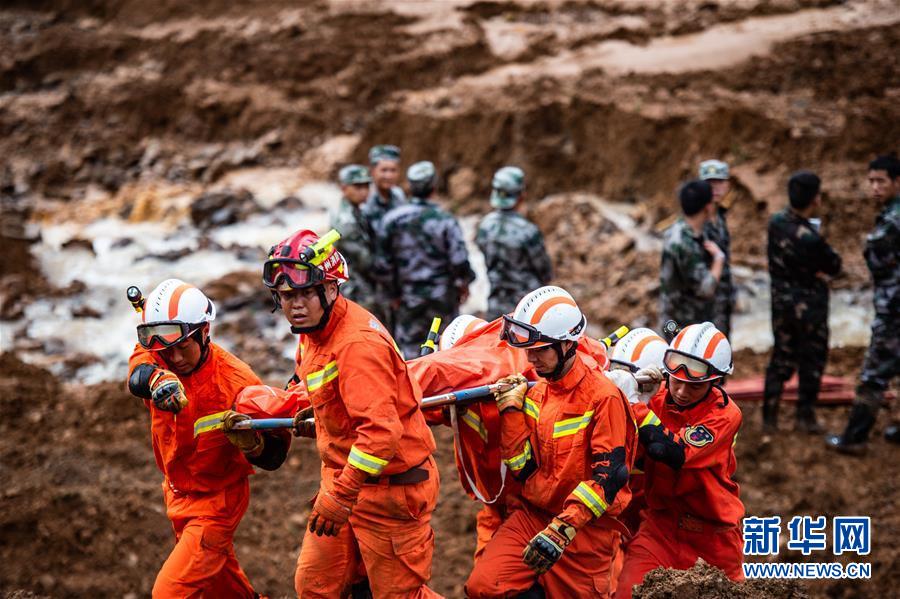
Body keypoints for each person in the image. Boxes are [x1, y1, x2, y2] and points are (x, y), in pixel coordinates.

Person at [262, 229, 442, 598]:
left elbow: (380, 435)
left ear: (330, 289)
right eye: (285, 296)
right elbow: (322, 386)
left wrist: (341, 495)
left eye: (302, 294)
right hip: (346, 481)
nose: (294, 305)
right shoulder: (310, 332)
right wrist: (317, 413)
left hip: (391, 492)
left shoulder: (358, 345)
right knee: (316, 587)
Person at [466, 286, 637, 598]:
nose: (530, 358)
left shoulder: (603, 397)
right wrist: (511, 412)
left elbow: (609, 478)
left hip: (583, 530)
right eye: (527, 349)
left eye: (540, 350)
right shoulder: (538, 389)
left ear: (568, 344)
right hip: (534, 516)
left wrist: (563, 529)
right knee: (485, 587)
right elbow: (523, 468)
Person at [126, 279, 286, 598]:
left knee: (169, 592)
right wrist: (157, 379)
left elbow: (275, 455)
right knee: (221, 585)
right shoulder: (161, 350)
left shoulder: (237, 383)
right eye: (164, 352)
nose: (174, 358)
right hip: (177, 490)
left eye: (182, 347)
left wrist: (254, 445)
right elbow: (138, 370)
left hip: (217, 502)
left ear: (203, 331)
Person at [615, 322, 744, 599]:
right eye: (676, 381)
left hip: (713, 537)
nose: (683, 392)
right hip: (660, 528)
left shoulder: (724, 414)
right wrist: (631, 398)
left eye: (694, 386)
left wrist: (634, 404)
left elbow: (671, 452)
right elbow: (632, 451)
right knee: (628, 593)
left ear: (714, 382)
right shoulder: (658, 399)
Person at [828, 154, 900, 453]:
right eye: (871, 181)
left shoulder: (893, 219)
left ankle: (854, 438)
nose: (874, 187)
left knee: (873, 375)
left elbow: (875, 257)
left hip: (894, 310)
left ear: (897, 182)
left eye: (880, 181)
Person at [764, 171, 842, 433]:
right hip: (810, 310)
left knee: (780, 359)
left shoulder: (775, 224)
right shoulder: (811, 237)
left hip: (781, 306)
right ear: (815, 199)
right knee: (812, 361)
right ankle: (804, 417)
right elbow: (834, 265)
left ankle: (769, 418)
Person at [379, 161, 476, 358]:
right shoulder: (445, 219)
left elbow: (382, 264)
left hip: (407, 298)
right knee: (447, 348)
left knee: (410, 353)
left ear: (410, 187)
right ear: (433, 186)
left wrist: (393, 295)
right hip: (443, 298)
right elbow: (459, 260)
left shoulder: (391, 220)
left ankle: (414, 387)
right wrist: (463, 283)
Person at [476, 166, 553, 320]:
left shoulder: (484, 226)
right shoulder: (528, 231)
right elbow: (545, 273)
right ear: (521, 196)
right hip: (526, 310)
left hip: (496, 306)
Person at [659, 180, 726, 331]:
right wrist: (718, 260)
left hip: (683, 319)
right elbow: (706, 289)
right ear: (707, 207)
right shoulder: (683, 243)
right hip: (682, 326)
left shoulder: (681, 229)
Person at [330, 164, 385, 322]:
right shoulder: (346, 220)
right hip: (355, 289)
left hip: (361, 284)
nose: (364, 191)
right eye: (357, 186)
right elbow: (366, 262)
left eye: (366, 186)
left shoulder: (356, 210)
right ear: (344, 188)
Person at [363, 144, 406, 332]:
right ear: (372, 172)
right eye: (383, 170)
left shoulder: (398, 196)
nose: (388, 175)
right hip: (375, 281)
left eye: (393, 170)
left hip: (398, 277)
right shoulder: (366, 204)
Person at [699, 160, 736, 337]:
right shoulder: (696, 220)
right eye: (709, 183)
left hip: (723, 300)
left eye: (719, 182)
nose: (714, 188)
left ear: (727, 184)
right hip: (702, 304)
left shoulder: (720, 217)